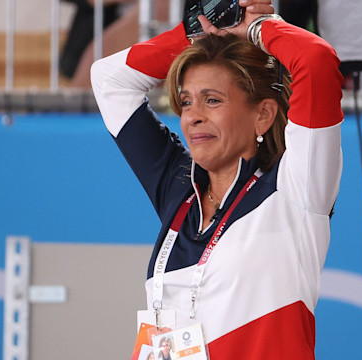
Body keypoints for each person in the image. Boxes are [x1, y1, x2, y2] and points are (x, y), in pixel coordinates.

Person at [91, 0, 343, 357]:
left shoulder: (296, 190)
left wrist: (258, 27)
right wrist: (201, 32)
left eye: (212, 100)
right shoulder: (179, 189)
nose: (193, 116)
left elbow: (316, 61)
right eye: (186, 102)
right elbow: (109, 77)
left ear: (263, 115)